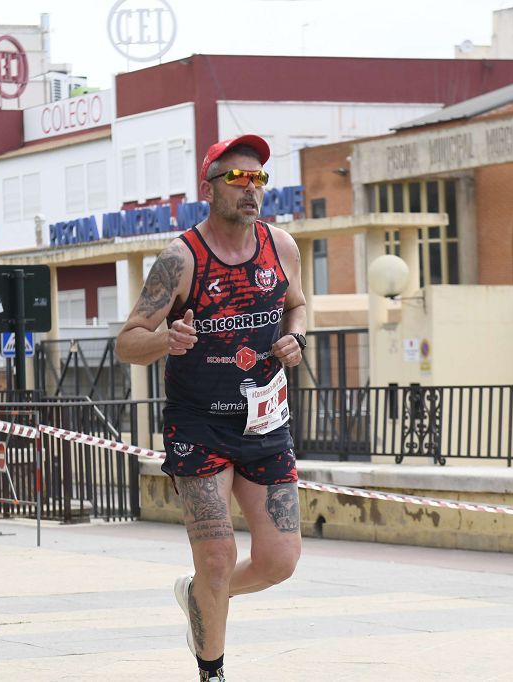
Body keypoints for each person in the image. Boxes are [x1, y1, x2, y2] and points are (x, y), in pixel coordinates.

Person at [116, 134, 307, 682]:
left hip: (265, 420)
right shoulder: (181, 258)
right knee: (218, 557)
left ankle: (200, 595)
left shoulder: (281, 247)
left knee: (279, 561)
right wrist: (166, 341)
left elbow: (295, 307)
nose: (251, 190)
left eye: (259, 179)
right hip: (198, 425)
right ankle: (212, 670)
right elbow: (128, 341)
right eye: (238, 178)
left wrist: (296, 338)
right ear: (211, 186)